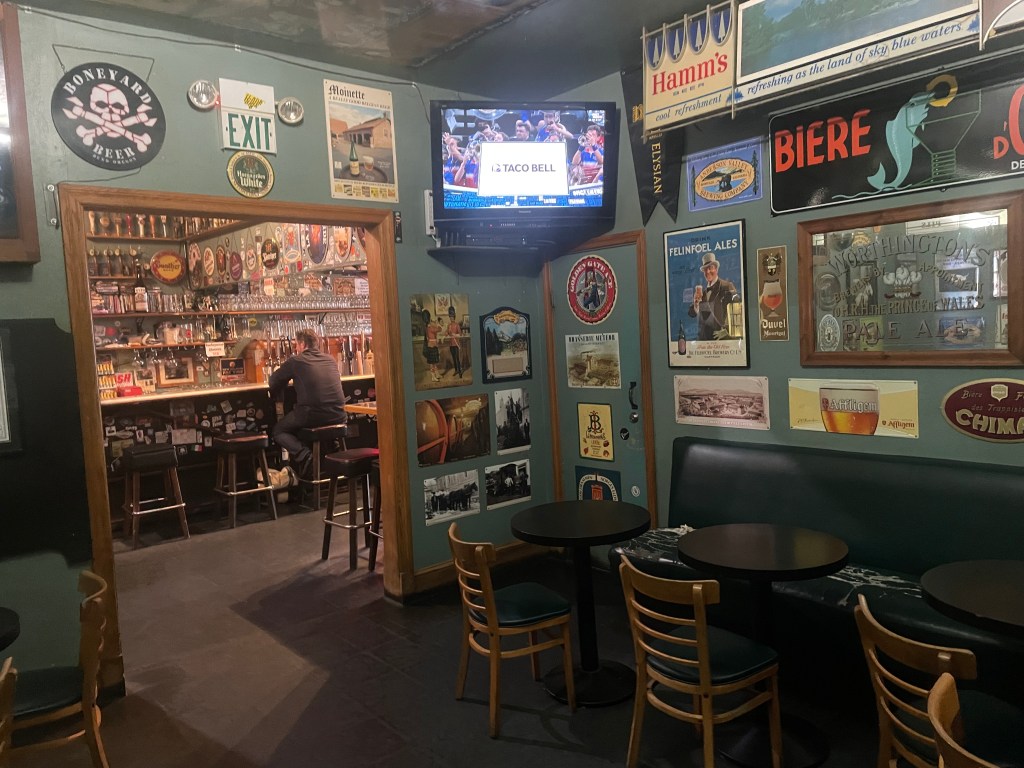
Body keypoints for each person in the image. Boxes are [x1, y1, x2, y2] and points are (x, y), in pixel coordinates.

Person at [268, 328, 347, 478]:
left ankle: (304, 455)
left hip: (312, 415)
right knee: (315, 425)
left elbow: (273, 382)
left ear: (303, 344)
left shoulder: (296, 361)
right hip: (339, 416)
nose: (296, 348)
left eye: (296, 345)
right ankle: (333, 451)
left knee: (278, 431)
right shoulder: (330, 359)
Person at [687, 252, 738, 341]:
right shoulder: (702, 293)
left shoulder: (727, 286)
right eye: (705, 269)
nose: (708, 272)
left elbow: (737, 310)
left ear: (716, 269)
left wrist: (727, 331)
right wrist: (695, 304)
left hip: (720, 342)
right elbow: (691, 313)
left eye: (710, 268)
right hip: (703, 341)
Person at [422, 308, 442, 382]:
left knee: (434, 362)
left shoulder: (428, 327)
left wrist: (434, 323)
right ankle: (433, 376)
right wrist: (437, 323)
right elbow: (439, 329)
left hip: (432, 345)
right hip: (432, 346)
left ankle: (436, 374)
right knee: (432, 363)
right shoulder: (430, 327)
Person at [445, 305, 464, 378]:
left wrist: (455, 334)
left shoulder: (457, 325)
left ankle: (460, 371)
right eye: (450, 317)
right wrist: (446, 333)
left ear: (454, 317)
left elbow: (460, 334)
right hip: (451, 344)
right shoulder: (449, 325)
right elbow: (446, 332)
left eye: (452, 317)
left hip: (456, 344)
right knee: (453, 358)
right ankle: (456, 370)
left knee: (457, 358)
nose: (451, 318)